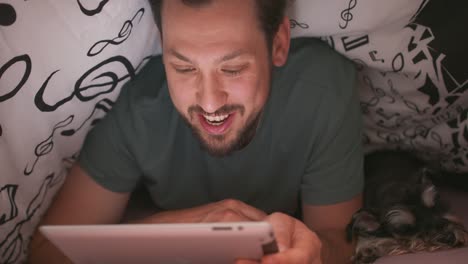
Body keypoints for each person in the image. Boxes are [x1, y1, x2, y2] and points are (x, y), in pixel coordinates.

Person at [29, 0, 364, 263]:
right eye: (184, 67)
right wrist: (178, 230)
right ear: (161, 46)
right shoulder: (137, 108)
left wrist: (313, 253)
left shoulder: (323, 91)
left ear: (278, 43)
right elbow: (47, 251)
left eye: (232, 69)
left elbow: (338, 234)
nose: (209, 101)